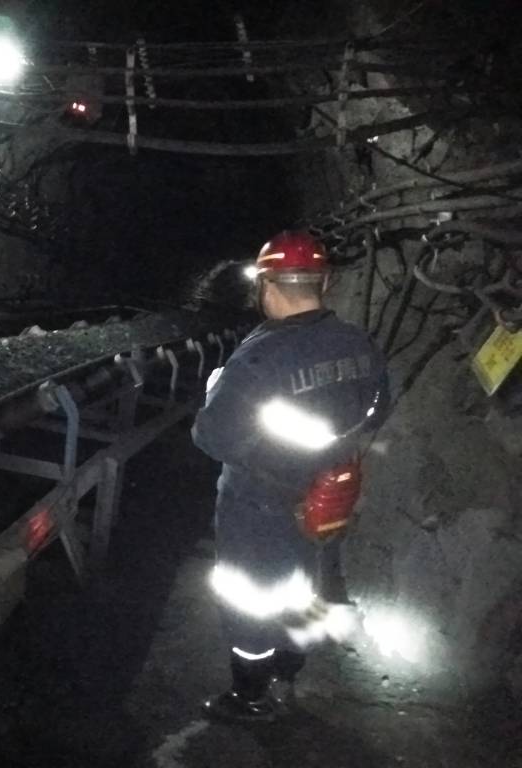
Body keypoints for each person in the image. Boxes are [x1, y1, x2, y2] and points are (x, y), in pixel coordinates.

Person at [191, 230, 389, 723]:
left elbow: (212, 438)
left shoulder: (259, 359)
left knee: (249, 597)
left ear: (265, 285)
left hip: (259, 500)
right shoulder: (359, 344)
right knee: (307, 585)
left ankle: (250, 696)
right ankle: (289, 669)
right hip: (327, 493)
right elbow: (376, 410)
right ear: (325, 282)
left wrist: (217, 392)